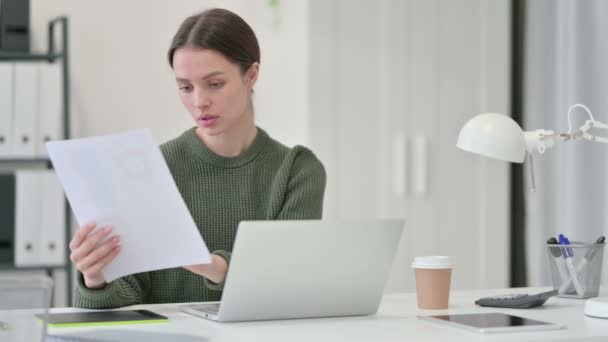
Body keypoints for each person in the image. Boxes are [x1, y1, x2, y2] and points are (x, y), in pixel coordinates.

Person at [69, 8, 326, 309]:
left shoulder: (296, 171)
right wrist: (95, 278)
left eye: (215, 84)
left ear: (251, 75)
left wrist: (215, 268)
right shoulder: (150, 168)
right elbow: (126, 298)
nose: (199, 101)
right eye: (185, 87)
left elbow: (286, 283)